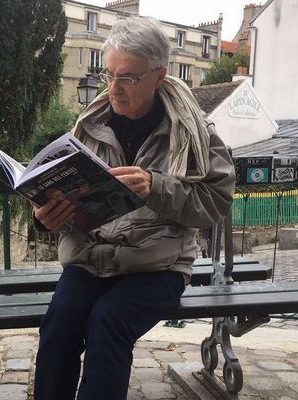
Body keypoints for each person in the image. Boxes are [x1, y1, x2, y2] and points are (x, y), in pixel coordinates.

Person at [31, 16, 236, 400]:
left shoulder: (194, 131)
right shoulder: (88, 126)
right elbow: (69, 199)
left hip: (157, 265)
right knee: (60, 322)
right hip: (91, 257)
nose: (113, 89)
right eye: (108, 75)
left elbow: (216, 203)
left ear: (159, 76)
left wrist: (157, 188)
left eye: (127, 78)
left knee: (108, 321)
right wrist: (46, 216)